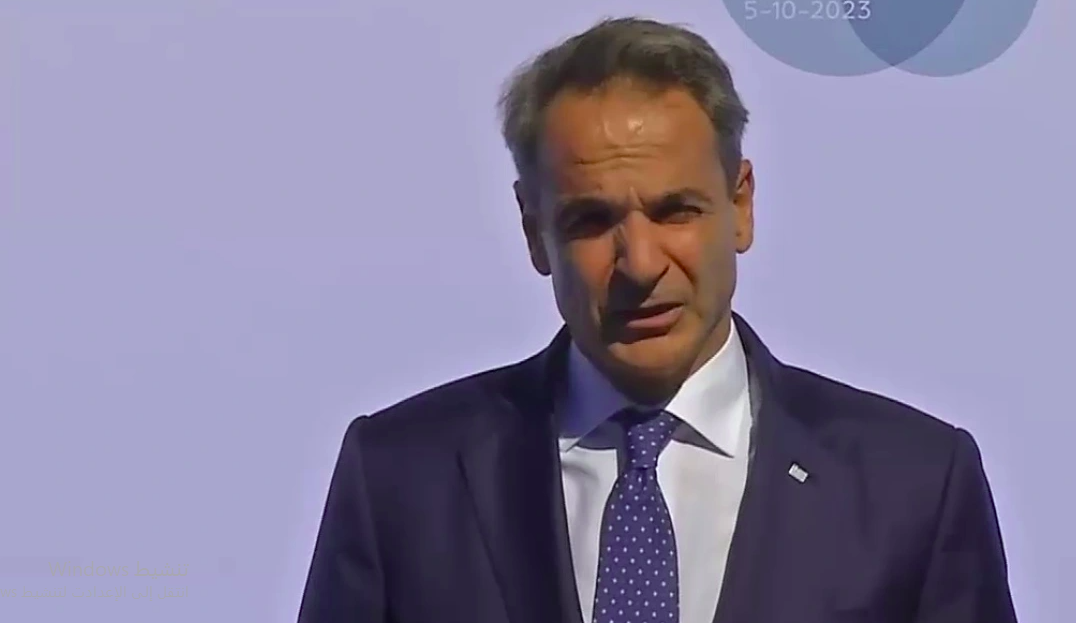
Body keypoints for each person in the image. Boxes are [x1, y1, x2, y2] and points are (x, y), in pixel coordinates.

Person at [297, 16, 1017, 623]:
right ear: (532, 230)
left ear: (740, 205)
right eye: (591, 220)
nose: (639, 264)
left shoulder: (914, 484)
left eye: (676, 211)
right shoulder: (402, 475)